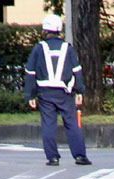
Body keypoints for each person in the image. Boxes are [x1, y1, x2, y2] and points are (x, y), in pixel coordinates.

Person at [24, 14, 91, 166]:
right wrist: (79, 91)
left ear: (45, 31)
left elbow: (30, 72)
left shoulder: (38, 48)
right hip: (64, 93)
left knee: (48, 124)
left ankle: (53, 157)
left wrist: (30, 95)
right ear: (59, 30)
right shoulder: (67, 48)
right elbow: (77, 70)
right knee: (71, 123)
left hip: (45, 93)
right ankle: (80, 156)